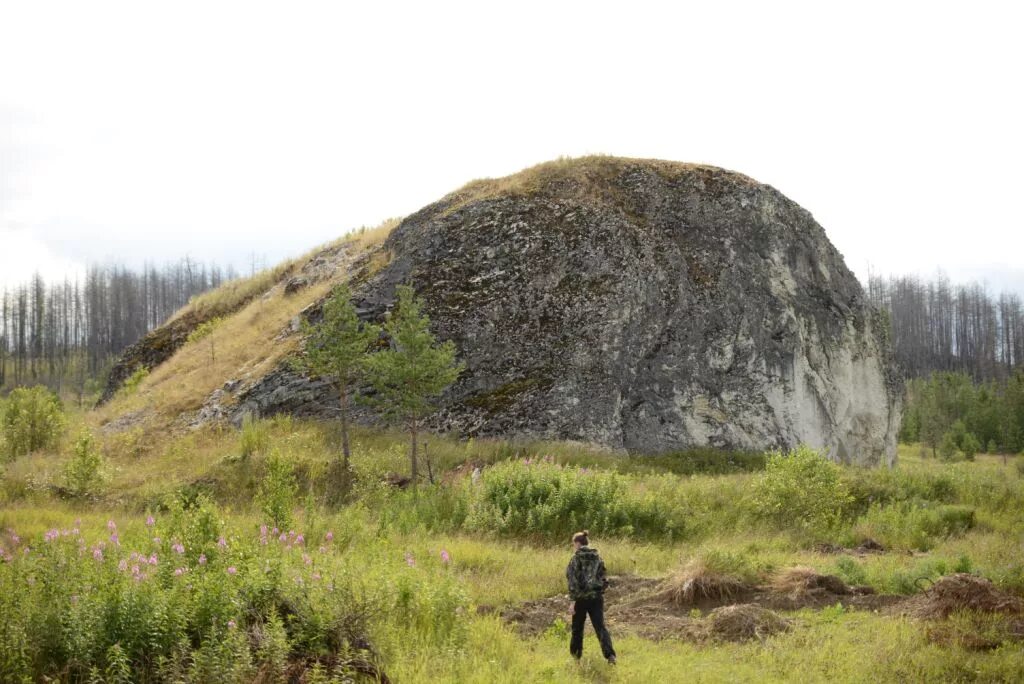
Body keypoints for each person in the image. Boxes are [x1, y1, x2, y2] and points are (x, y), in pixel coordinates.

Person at [565, 529, 616, 664]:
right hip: (596, 598)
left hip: (581, 599)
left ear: (577, 543)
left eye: (573, 544)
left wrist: (572, 603)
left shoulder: (575, 559)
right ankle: (610, 655)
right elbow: (604, 577)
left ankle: (576, 658)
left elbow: (573, 581)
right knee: (600, 627)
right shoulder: (598, 557)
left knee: (577, 628)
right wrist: (599, 591)